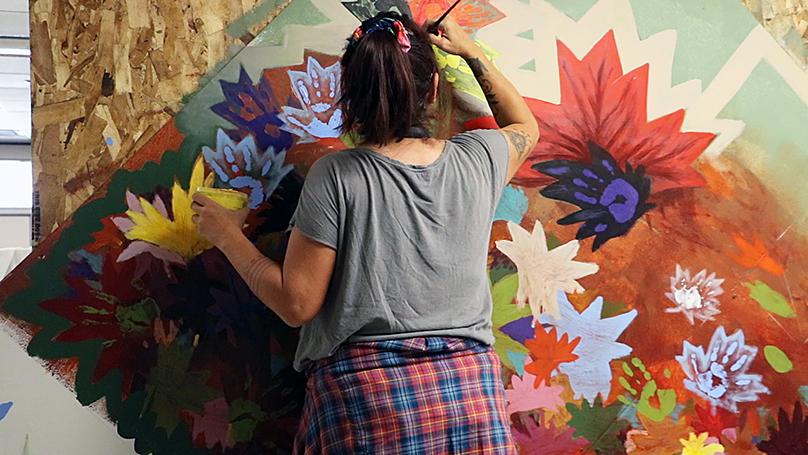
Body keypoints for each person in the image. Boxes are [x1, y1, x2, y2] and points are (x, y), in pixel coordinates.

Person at [192, 11, 539, 454]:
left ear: (350, 96)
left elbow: (297, 304)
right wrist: (470, 52)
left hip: (367, 404)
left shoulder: (336, 176)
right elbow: (526, 128)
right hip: (469, 402)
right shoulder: (479, 158)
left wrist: (227, 236)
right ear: (433, 88)